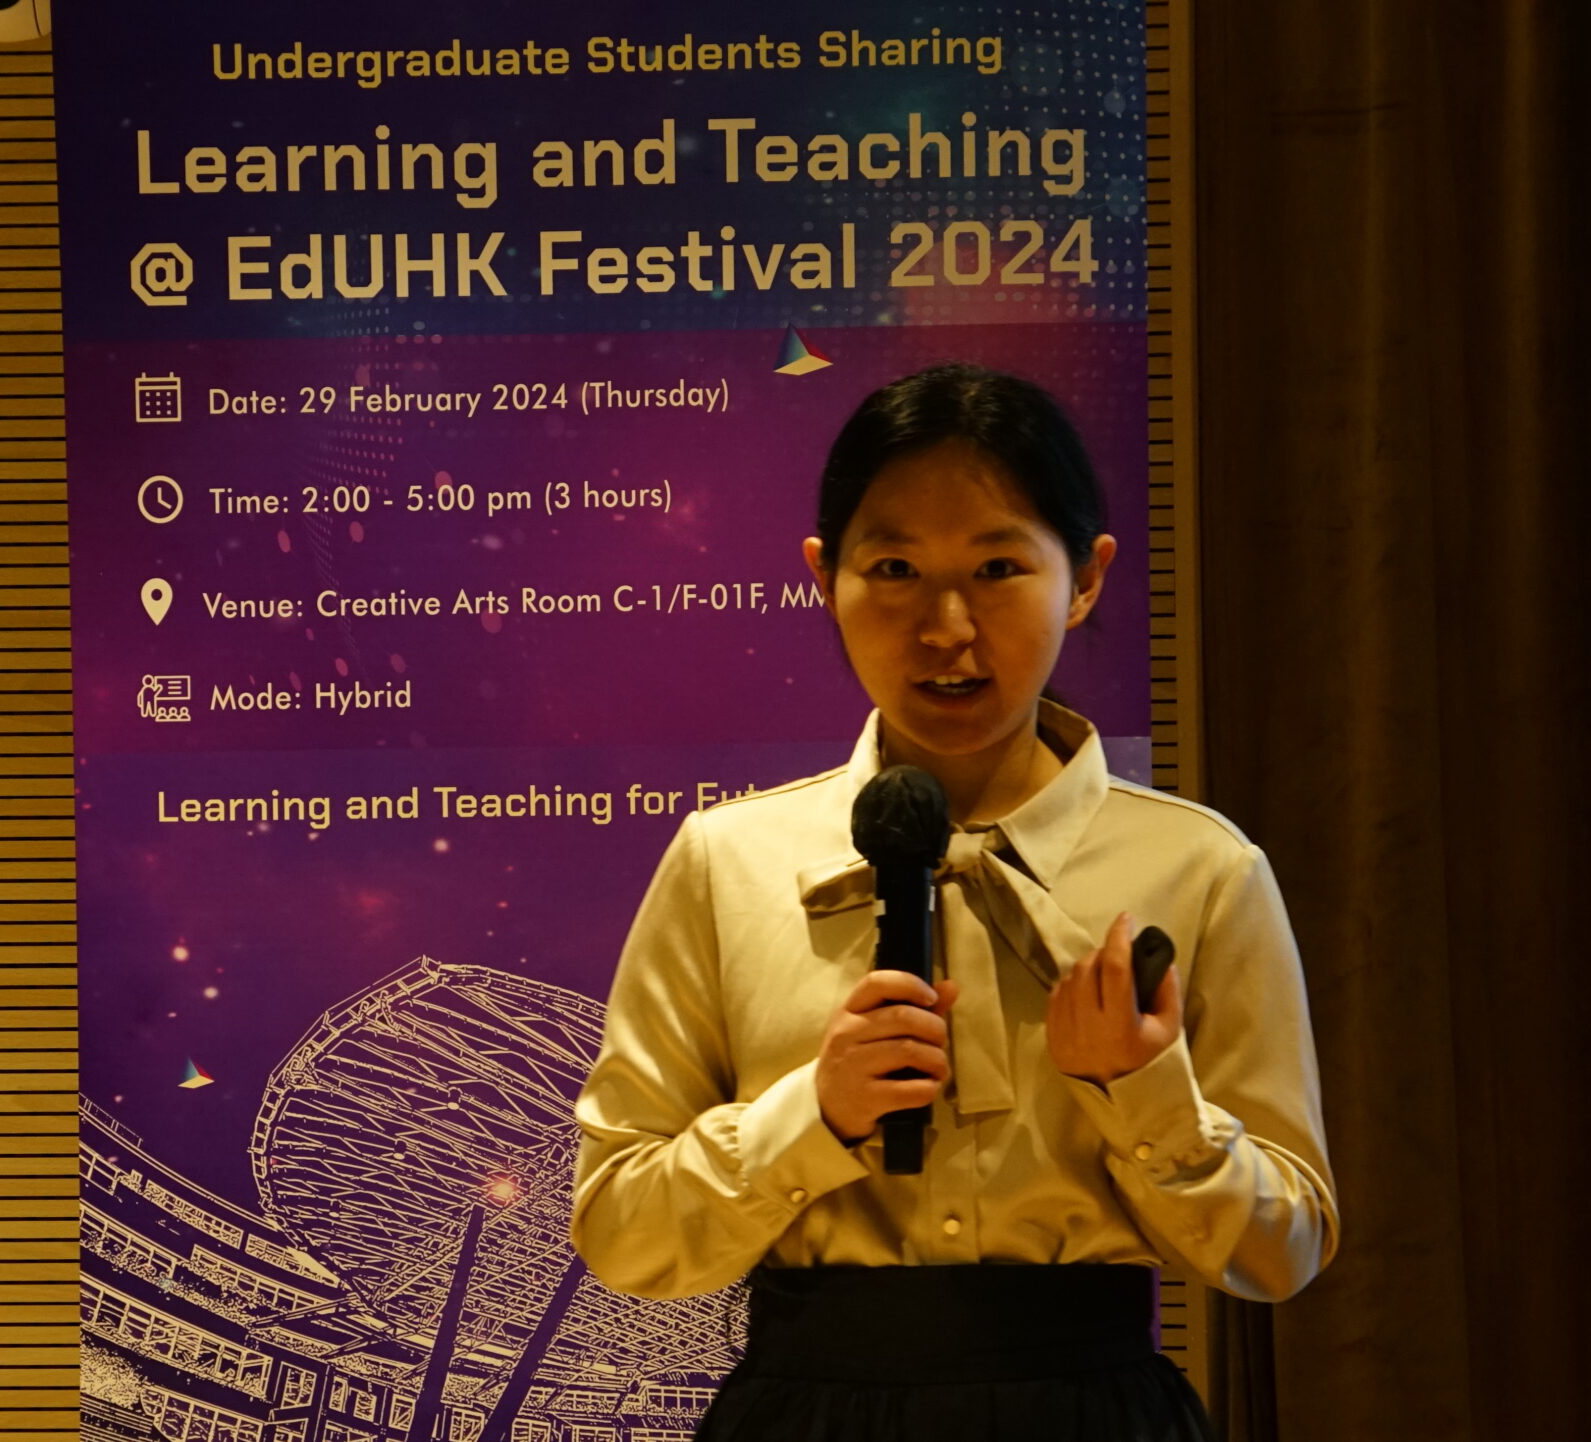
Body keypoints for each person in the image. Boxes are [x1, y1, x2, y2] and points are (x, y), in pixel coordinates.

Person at [571, 363, 1337, 1441]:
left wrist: (1144, 1093)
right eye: (893, 568)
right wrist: (814, 1113)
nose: (945, 626)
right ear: (823, 576)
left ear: (1086, 578)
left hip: (1092, 1417)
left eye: (997, 567)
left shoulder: (1200, 868)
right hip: (807, 1417)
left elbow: (1281, 1252)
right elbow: (621, 1233)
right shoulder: (724, 862)